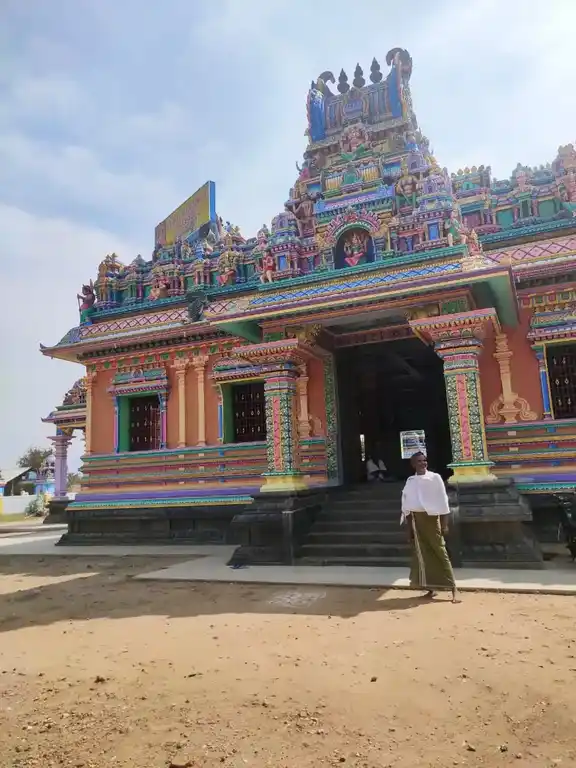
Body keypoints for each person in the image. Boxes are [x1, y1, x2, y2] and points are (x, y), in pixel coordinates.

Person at [400, 452, 460, 603]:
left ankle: (453, 588)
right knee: (423, 553)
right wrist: (409, 530)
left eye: (424, 460)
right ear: (413, 464)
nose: (423, 463)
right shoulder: (411, 481)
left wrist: (444, 524)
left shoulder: (435, 478)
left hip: (432, 520)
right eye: (419, 461)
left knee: (440, 551)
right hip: (416, 521)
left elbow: (443, 502)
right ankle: (431, 587)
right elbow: (407, 506)